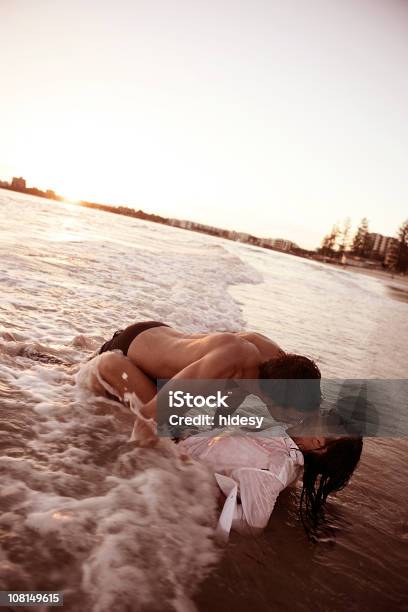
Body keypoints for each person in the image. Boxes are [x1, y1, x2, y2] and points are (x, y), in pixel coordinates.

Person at [83, 320, 322, 443]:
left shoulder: (276, 363)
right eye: (293, 415)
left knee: (181, 431)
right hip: (128, 350)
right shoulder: (232, 360)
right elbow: (148, 419)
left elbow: (233, 396)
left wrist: (213, 434)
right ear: (273, 397)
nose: (295, 422)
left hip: (159, 339)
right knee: (170, 433)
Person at [178, 411, 363, 540]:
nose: (317, 413)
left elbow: (253, 527)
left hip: (179, 460)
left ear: (318, 442)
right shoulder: (289, 455)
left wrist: (218, 497)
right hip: (187, 447)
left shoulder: (272, 470)